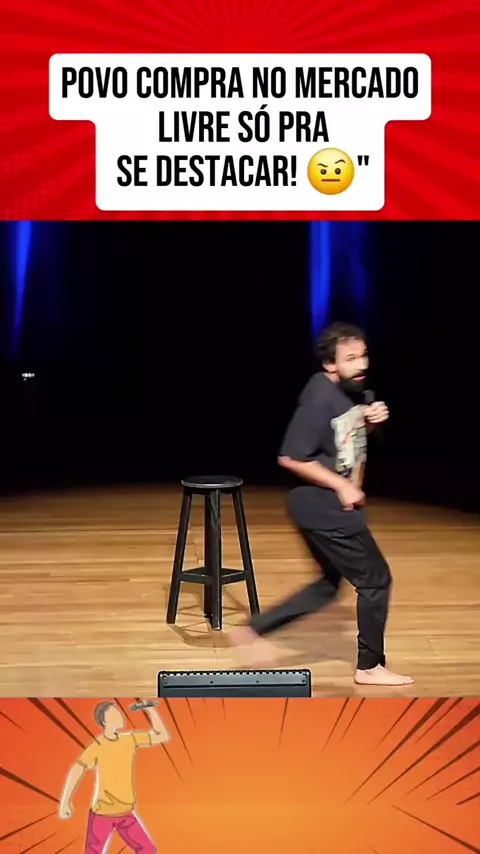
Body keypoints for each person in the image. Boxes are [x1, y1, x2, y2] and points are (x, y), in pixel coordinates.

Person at [228, 322, 413, 687]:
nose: (361, 364)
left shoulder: (353, 391)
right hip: (324, 508)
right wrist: (342, 486)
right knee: (376, 580)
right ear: (330, 364)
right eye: (351, 358)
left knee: (329, 584)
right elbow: (290, 456)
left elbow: (344, 440)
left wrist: (371, 422)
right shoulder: (318, 399)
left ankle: (253, 630)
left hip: (324, 508)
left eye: (363, 355)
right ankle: (369, 666)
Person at [59, 700, 170, 854]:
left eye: (118, 712)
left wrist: (150, 710)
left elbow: (162, 735)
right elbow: (78, 768)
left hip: (125, 812)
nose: (119, 715)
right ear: (104, 721)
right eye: (113, 713)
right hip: (102, 814)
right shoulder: (98, 745)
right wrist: (65, 801)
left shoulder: (129, 739)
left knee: (148, 849)